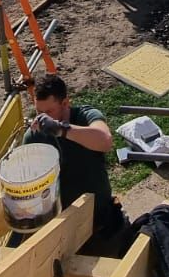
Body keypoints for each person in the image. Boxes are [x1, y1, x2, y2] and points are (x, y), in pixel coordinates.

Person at [25, 72, 127, 246]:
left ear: (65, 103)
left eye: (49, 112)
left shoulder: (85, 116)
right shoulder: (34, 136)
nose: (42, 118)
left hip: (99, 216)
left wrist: (62, 130)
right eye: (39, 112)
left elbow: (105, 141)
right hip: (60, 223)